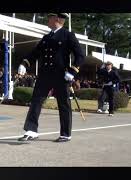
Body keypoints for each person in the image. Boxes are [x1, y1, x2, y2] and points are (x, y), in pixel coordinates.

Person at [17, 13, 85, 142]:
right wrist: (24, 64)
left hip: (61, 75)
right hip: (45, 75)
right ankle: (31, 130)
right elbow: (35, 53)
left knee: (63, 104)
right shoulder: (46, 37)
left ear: (57, 19)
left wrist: (72, 71)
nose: (47, 20)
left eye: (50, 17)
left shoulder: (68, 35)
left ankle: (65, 133)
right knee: (36, 100)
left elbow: (80, 56)